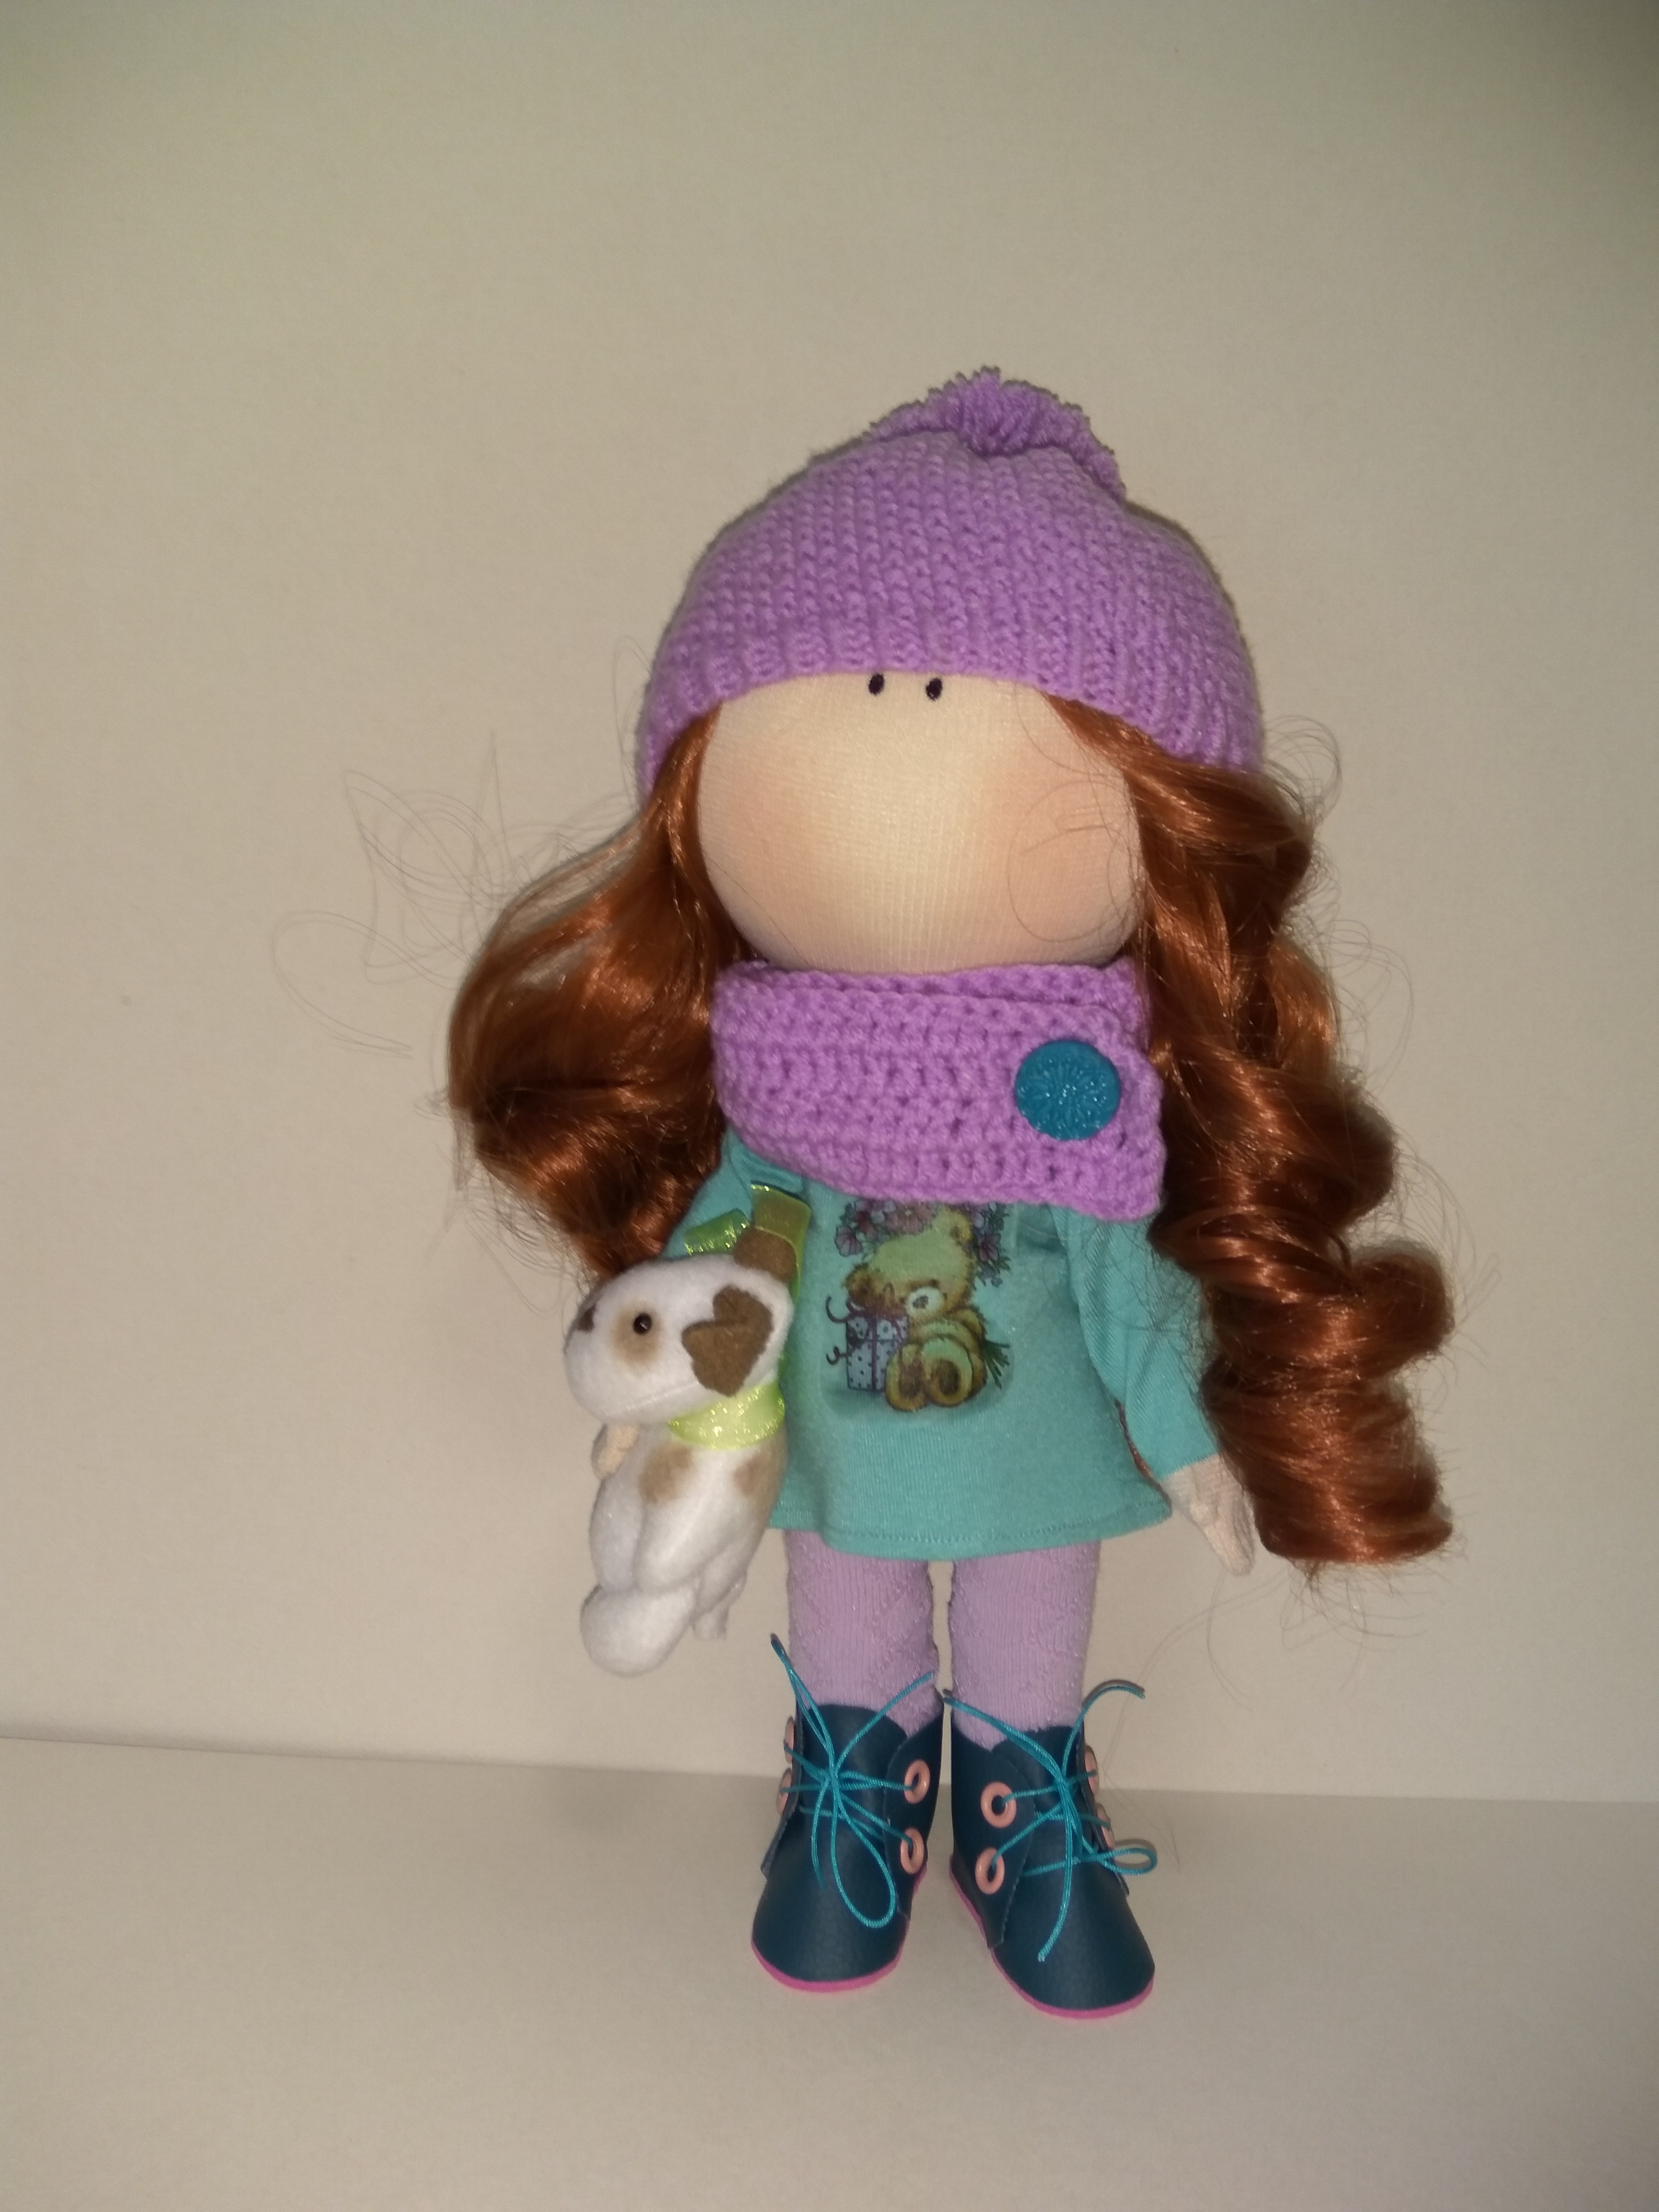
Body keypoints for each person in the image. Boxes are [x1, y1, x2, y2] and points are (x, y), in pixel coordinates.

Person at [448, 371, 1451, 2016]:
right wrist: (666, 1389)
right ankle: (857, 1794)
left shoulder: (1087, 1104)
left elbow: (1128, 1279)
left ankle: (1021, 1810)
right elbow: (725, 1249)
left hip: (1035, 1451)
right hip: (837, 1447)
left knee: (1031, 1620)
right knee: (846, 1616)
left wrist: (1190, 1435)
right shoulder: (772, 1101)